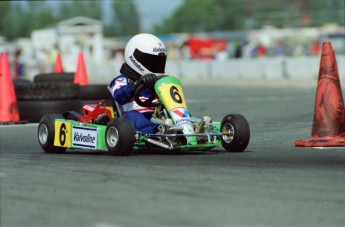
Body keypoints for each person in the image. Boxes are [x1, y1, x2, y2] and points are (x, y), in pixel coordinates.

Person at [109, 33, 167, 134]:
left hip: (155, 115)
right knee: (133, 116)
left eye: (158, 62)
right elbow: (119, 95)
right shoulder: (122, 80)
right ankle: (156, 131)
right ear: (135, 58)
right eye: (151, 62)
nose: (155, 65)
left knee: (172, 112)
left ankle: (188, 126)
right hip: (130, 120)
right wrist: (136, 85)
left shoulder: (156, 82)